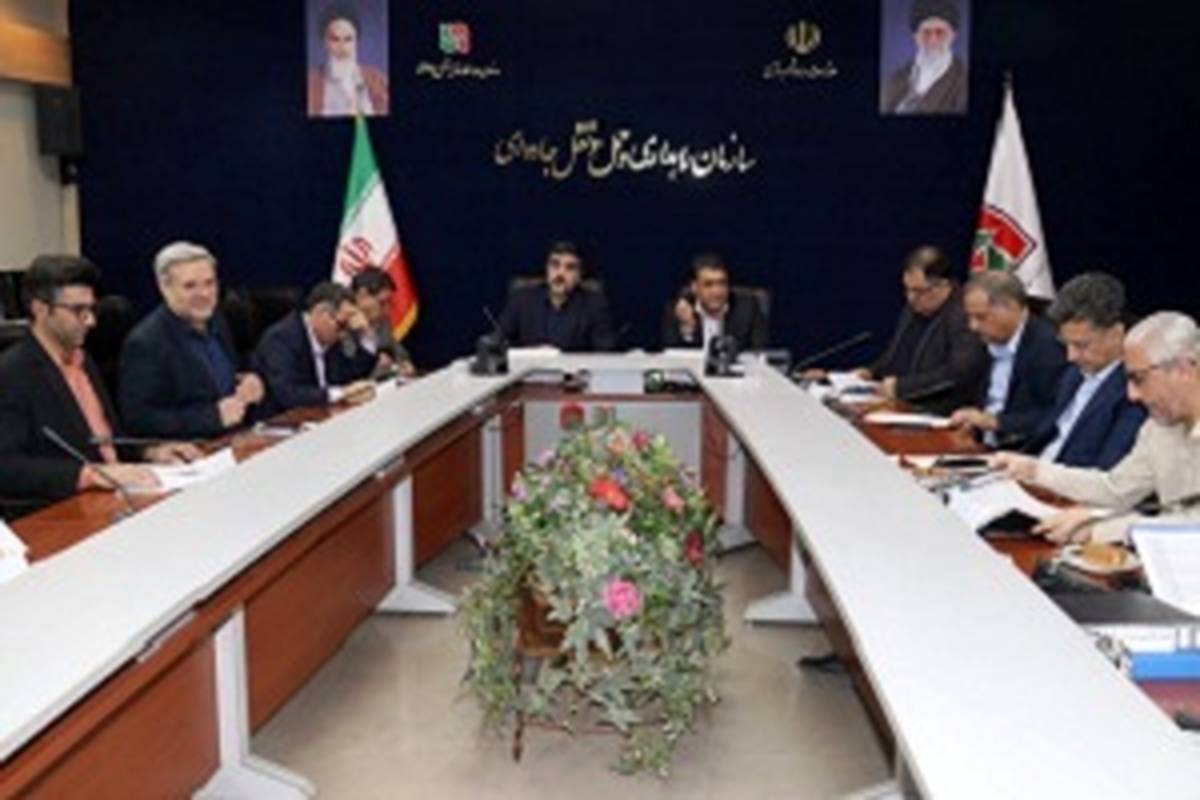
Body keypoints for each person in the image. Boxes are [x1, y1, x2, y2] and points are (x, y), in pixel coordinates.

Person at [0, 256, 198, 510]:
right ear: (40, 309)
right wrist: (90, 475)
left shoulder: (84, 360)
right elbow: (7, 467)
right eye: (78, 311)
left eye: (91, 309)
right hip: (62, 510)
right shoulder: (12, 373)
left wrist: (149, 452)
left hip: (118, 499)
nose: (91, 320)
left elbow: (106, 443)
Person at [993, 312, 1200, 544]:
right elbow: (1115, 489)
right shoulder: (1157, 428)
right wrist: (1034, 470)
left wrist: (1102, 530)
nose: (1132, 395)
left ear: (1182, 370)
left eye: (1138, 379)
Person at [119, 241, 265, 439]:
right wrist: (212, 417)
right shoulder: (146, 343)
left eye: (209, 283)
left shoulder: (218, 321)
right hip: (195, 448)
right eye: (190, 286)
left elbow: (222, 378)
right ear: (164, 288)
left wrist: (248, 381)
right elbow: (139, 419)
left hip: (237, 439)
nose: (204, 294)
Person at [1021, 272, 1145, 468]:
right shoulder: (1073, 375)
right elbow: (1045, 434)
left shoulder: (1136, 388)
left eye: (1081, 345)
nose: (1070, 356)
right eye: (1065, 344)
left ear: (1117, 333)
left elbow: (1107, 469)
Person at [863, 245, 987, 415]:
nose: (911, 298)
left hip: (942, 412)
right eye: (907, 289)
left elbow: (959, 373)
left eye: (918, 290)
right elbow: (898, 354)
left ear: (943, 284)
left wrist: (901, 388)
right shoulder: (914, 308)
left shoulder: (965, 314)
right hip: (904, 406)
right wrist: (871, 372)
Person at [949, 271, 1067, 445]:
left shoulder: (1048, 348)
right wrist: (972, 424)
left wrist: (996, 422)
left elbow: (1054, 416)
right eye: (969, 317)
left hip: (1021, 450)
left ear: (1012, 307)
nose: (973, 326)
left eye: (981, 317)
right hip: (979, 445)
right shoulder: (986, 340)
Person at [252, 282, 379, 416]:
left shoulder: (331, 338)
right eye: (341, 325)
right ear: (321, 314)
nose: (343, 334)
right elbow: (287, 393)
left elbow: (350, 376)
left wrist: (366, 335)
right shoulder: (281, 339)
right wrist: (340, 393)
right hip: (282, 420)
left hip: (323, 416)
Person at [496, 241, 617, 351]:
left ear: (579, 275)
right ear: (546, 269)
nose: (560, 273)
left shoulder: (595, 306)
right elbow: (498, 342)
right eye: (555, 265)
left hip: (574, 368)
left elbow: (605, 352)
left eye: (570, 268)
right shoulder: (521, 300)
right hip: (530, 368)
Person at [661, 252, 768, 353]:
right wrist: (688, 328)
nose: (717, 292)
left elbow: (759, 354)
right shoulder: (678, 310)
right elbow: (672, 357)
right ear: (694, 287)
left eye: (722, 283)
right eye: (708, 284)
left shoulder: (748, 308)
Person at [880, 0, 968, 115]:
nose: (932, 41)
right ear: (915, 37)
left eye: (940, 32)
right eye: (926, 32)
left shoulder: (963, 80)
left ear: (953, 36)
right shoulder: (896, 78)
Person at [307, 4, 389, 117]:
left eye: (348, 39)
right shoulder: (311, 83)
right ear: (325, 42)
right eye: (335, 39)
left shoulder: (378, 80)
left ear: (356, 42)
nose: (342, 47)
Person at [350, 267, 416, 378]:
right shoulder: (342, 325)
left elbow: (396, 350)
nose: (387, 310)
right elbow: (351, 371)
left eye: (389, 302)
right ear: (362, 296)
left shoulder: (382, 320)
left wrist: (404, 363)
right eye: (382, 303)